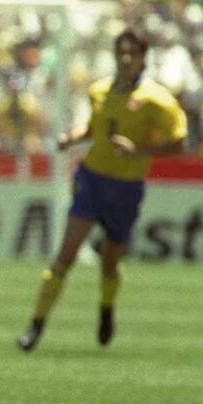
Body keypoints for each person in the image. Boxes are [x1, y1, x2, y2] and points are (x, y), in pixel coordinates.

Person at [16, 29, 187, 351]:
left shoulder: (157, 99)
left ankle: (106, 309)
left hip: (125, 188)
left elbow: (179, 144)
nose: (125, 58)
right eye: (121, 52)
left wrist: (138, 151)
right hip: (92, 179)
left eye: (132, 53)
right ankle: (35, 327)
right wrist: (72, 138)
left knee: (110, 261)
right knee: (65, 256)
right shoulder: (100, 90)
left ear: (142, 58)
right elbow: (94, 129)